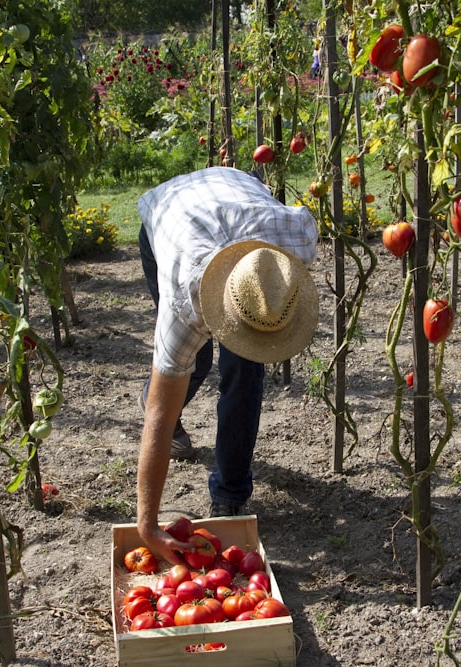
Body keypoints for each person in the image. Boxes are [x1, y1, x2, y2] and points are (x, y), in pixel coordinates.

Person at [135, 166, 320, 565]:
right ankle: (161, 390)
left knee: (246, 372)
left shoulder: (290, 251)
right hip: (169, 217)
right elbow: (157, 418)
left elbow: (269, 296)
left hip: (232, 191)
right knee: (191, 364)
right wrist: (147, 527)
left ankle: (230, 495)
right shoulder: (185, 304)